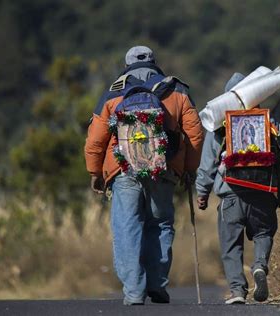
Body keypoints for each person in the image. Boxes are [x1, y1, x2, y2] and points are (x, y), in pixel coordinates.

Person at [85, 46, 204, 305]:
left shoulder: (112, 93)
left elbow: (95, 141)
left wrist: (96, 172)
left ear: (126, 64)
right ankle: (157, 283)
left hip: (123, 171)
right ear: (154, 63)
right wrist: (189, 170)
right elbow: (195, 135)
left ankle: (134, 292)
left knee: (127, 228)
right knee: (160, 224)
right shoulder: (177, 91)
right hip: (164, 170)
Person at [195, 72, 280, 304]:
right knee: (263, 233)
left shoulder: (219, 125)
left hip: (231, 194)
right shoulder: (271, 123)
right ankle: (259, 265)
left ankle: (238, 290)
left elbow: (208, 162)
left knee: (231, 244)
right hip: (264, 192)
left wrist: (202, 191)